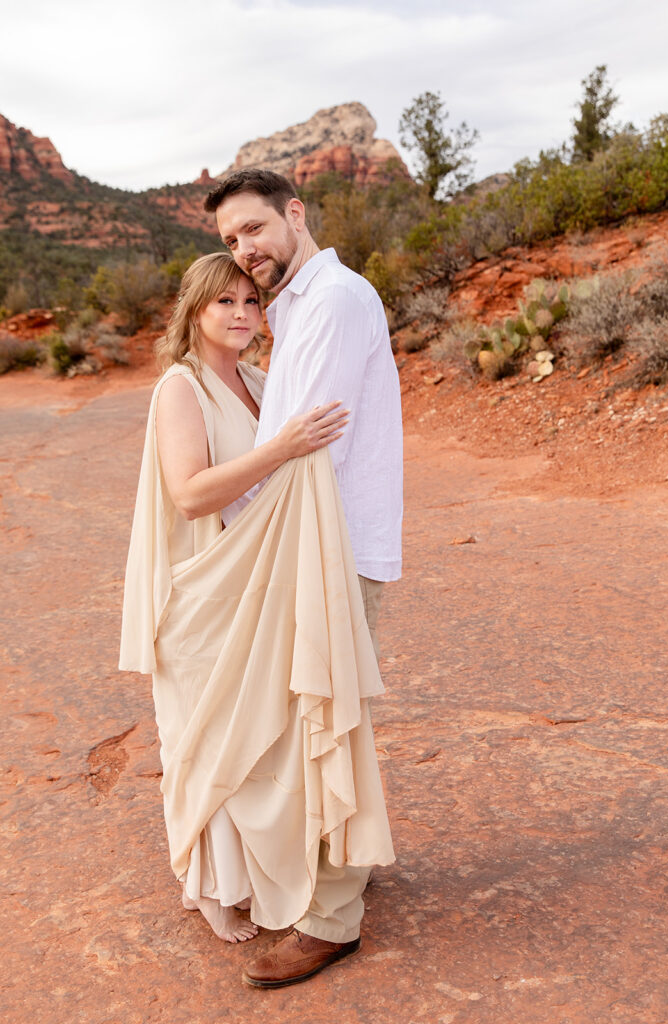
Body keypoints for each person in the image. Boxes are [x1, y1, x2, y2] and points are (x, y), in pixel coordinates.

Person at [119, 251, 395, 972]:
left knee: (260, 741)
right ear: (194, 311)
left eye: (251, 300)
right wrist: (281, 449)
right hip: (204, 590)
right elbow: (190, 494)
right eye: (224, 303)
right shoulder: (180, 388)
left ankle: (266, 871)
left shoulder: (257, 381)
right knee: (206, 738)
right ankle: (208, 886)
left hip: (254, 586)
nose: (242, 313)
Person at [203, 168, 403, 987]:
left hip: (328, 543)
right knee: (311, 719)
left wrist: (225, 522)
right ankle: (337, 871)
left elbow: (303, 439)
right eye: (229, 242)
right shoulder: (299, 309)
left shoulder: (330, 301)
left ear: (295, 213)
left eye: (254, 229)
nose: (245, 251)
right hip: (312, 541)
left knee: (323, 721)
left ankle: (331, 919)